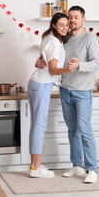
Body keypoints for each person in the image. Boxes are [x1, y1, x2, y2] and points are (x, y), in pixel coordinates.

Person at [37, 5, 99, 183]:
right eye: (70, 17)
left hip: (83, 92)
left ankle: (92, 169)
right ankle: (77, 165)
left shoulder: (90, 38)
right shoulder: (64, 39)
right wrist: (38, 61)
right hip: (66, 90)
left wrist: (79, 65)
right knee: (72, 130)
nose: (72, 21)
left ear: (83, 19)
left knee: (84, 129)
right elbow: (52, 57)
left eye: (76, 17)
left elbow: (96, 64)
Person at [28, 12, 78, 178]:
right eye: (61, 25)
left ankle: (35, 165)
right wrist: (69, 69)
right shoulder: (55, 42)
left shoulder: (48, 37)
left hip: (37, 83)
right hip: (42, 85)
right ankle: (36, 167)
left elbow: (43, 61)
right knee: (39, 126)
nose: (65, 28)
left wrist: (37, 62)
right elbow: (52, 70)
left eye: (67, 25)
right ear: (54, 25)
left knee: (36, 125)